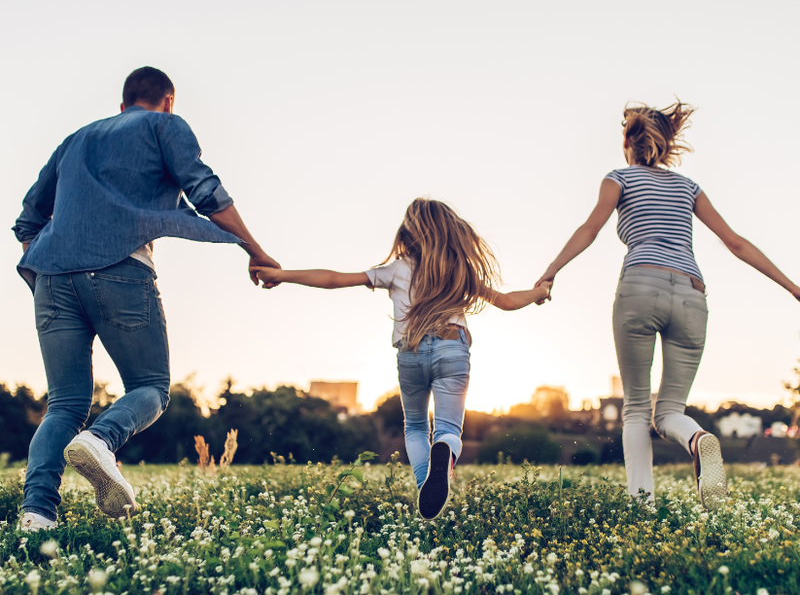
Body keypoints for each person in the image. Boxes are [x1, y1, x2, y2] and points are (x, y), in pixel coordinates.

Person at [12, 67, 280, 531]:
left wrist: (52, 260)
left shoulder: (77, 138)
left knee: (64, 405)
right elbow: (206, 192)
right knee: (152, 386)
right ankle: (102, 440)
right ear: (168, 101)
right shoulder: (163, 126)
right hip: (121, 269)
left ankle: (37, 514)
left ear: (122, 105)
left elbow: (28, 217)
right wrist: (256, 251)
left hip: (51, 274)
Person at [535, 101, 800, 509]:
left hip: (641, 284)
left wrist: (550, 271)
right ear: (668, 141)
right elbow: (736, 243)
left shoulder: (618, 179)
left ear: (628, 140)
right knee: (670, 410)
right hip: (693, 294)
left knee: (637, 410)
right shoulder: (689, 187)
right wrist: (792, 287)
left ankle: (643, 505)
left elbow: (590, 228)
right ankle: (696, 437)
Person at [254, 198, 551, 520]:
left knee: (415, 427)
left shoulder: (397, 269)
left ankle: (427, 486)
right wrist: (539, 292)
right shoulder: (460, 270)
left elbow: (333, 279)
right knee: (448, 429)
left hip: (411, 353)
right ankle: (445, 453)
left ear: (408, 233)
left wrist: (282, 274)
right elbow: (506, 301)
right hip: (453, 348)